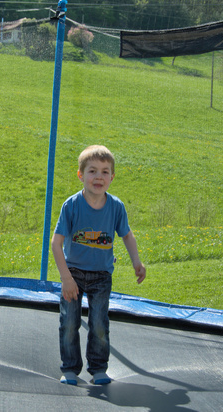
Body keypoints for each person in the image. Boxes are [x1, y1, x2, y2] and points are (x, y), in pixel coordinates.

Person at [51, 145, 146, 386]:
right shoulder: (71, 205)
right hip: (73, 273)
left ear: (112, 177)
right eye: (92, 171)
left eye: (105, 172)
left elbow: (127, 235)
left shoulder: (116, 207)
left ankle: (98, 368)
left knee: (99, 324)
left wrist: (136, 261)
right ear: (80, 175)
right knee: (69, 323)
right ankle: (70, 368)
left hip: (102, 275)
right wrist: (66, 278)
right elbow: (56, 243)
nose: (98, 177)